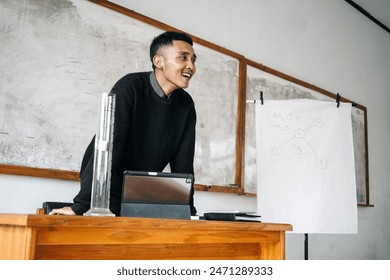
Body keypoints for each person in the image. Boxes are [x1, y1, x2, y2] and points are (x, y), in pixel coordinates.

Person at [49, 31, 197, 216]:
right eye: (183, 58)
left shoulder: (186, 105)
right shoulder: (130, 87)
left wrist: (189, 211)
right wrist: (83, 205)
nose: (190, 66)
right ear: (158, 61)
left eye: (193, 60)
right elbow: (111, 147)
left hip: (140, 196)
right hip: (105, 192)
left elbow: (183, 163)